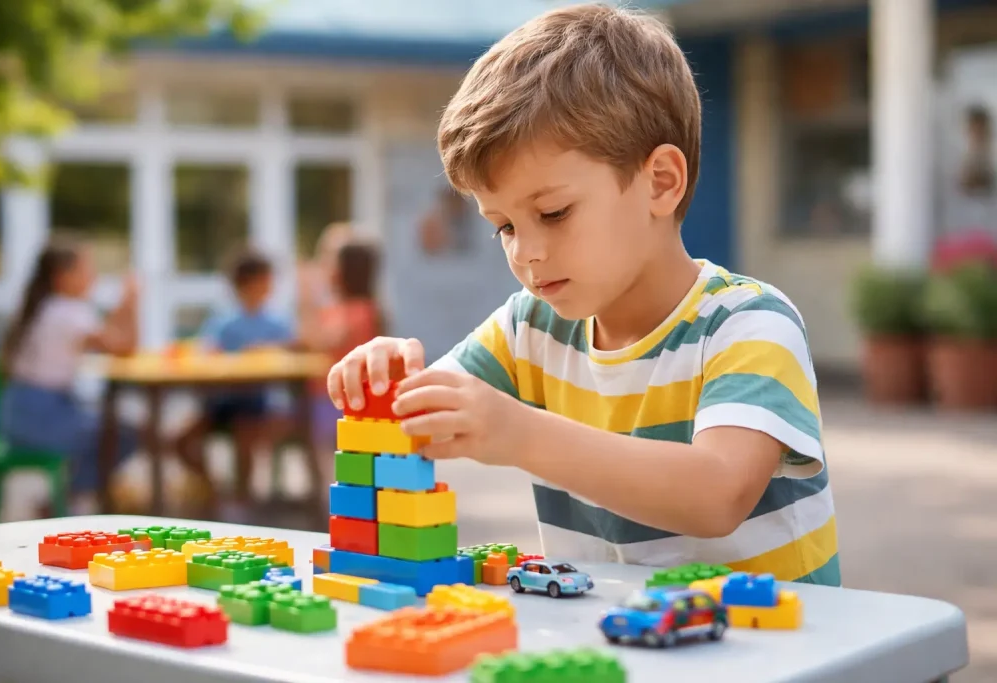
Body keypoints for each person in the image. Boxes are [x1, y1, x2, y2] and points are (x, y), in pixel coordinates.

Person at [325, 4, 840, 585]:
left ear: (660, 182)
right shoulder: (530, 327)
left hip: (779, 653)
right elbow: (429, 422)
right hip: (624, 645)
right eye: (505, 226)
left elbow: (718, 494)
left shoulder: (748, 324)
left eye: (553, 212)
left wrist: (518, 433)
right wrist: (390, 383)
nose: (525, 252)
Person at [0, 237, 138, 515]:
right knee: (124, 435)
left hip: (13, 415)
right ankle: (68, 502)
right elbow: (124, 347)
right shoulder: (68, 311)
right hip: (41, 417)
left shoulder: (43, 306)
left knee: (109, 429)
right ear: (63, 277)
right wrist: (131, 302)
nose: (93, 277)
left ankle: (67, 502)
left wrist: (122, 308)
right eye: (86, 269)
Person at [174, 248, 297, 505]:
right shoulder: (224, 322)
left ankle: (244, 501)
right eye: (266, 280)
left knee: (245, 438)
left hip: (256, 403)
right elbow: (206, 353)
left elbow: (293, 351)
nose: (270, 286)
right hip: (220, 402)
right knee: (180, 441)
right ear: (248, 284)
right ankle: (215, 491)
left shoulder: (276, 323)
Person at [299, 238, 383, 491]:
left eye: (328, 262)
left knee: (345, 467)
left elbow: (320, 341)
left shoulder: (360, 310)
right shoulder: (335, 308)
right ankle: (323, 501)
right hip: (323, 399)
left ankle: (330, 503)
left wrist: (306, 298)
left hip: (342, 403)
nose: (322, 268)